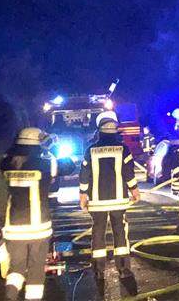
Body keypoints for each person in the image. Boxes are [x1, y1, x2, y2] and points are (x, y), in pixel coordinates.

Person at [0, 127, 73, 300]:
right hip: (39, 228)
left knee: (15, 270)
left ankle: (9, 297)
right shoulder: (45, 165)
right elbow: (69, 165)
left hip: (13, 228)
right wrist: (52, 147)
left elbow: (5, 158)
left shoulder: (7, 164)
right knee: (35, 272)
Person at [79, 117, 139, 295]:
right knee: (120, 231)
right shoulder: (123, 149)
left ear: (99, 130)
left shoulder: (91, 149)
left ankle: (98, 270)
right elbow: (128, 172)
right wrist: (134, 190)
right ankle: (123, 269)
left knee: (97, 232)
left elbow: (84, 174)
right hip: (118, 199)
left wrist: (83, 194)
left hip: (97, 201)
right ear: (115, 131)